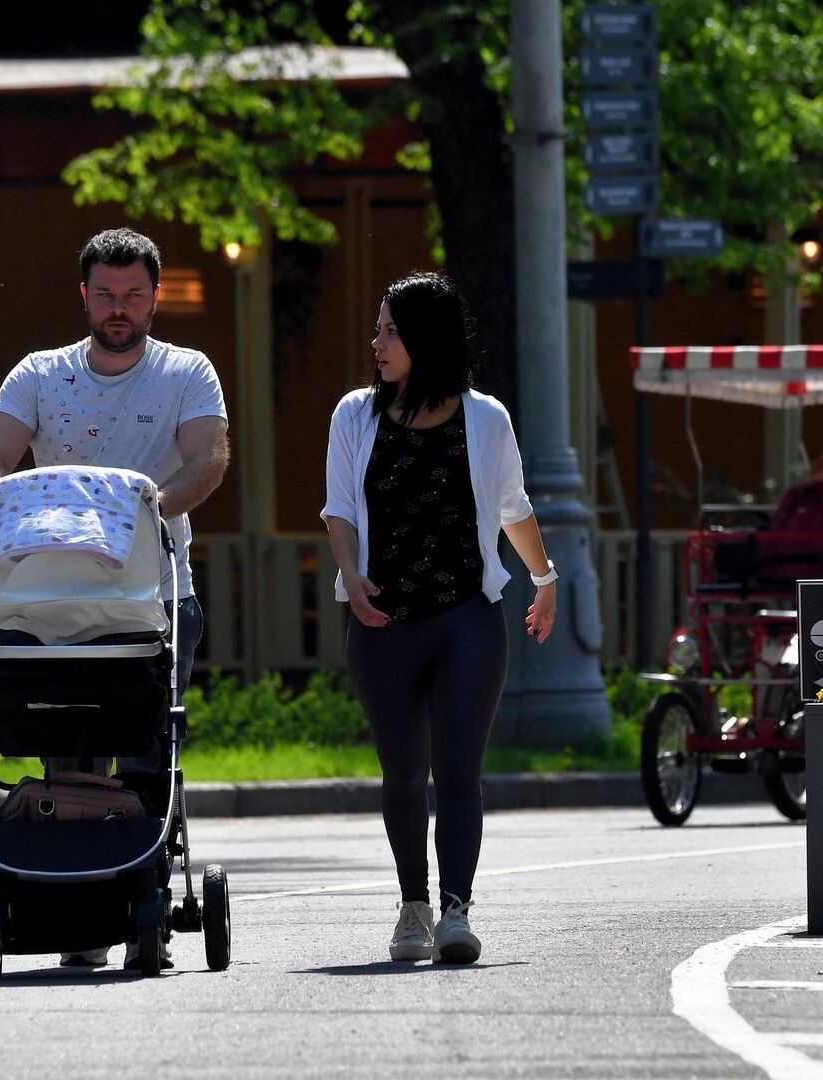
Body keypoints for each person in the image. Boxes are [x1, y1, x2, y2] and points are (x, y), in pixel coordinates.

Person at [0, 226, 230, 968]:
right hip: (56, 597)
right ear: (84, 295)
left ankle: (139, 897)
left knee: (147, 743)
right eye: (106, 295)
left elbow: (209, 458)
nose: (120, 308)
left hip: (157, 593)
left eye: (134, 296)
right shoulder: (41, 375)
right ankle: (71, 907)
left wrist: (148, 514)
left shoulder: (186, 373)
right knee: (64, 744)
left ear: (155, 298)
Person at [320, 272, 557, 966]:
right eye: (378, 329)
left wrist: (543, 579)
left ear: (427, 337)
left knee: (458, 768)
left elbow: (512, 506)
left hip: (466, 621)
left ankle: (457, 911)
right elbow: (338, 508)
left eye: (392, 329)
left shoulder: (486, 418)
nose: (378, 342)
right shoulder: (352, 417)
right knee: (402, 771)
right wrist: (353, 577)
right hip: (381, 620)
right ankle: (413, 908)